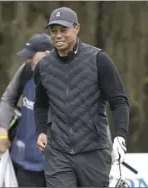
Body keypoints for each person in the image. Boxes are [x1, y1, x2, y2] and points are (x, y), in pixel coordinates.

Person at [34, 7, 130, 187]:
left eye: (63, 30)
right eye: (54, 31)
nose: (58, 35)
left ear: (76, 29)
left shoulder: (99, 59)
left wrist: (120, 136)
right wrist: (41, 130)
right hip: (58, 152)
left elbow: (119, 102)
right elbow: (40, 104)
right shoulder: (43, 67)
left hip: (93, 151)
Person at [0, 33, 53, 187]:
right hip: (24, 162)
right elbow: (8, 98)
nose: (28, 60)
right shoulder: (26, 70)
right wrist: (3, 131)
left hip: (55, 166)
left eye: (31, 56)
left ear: (47, 54)